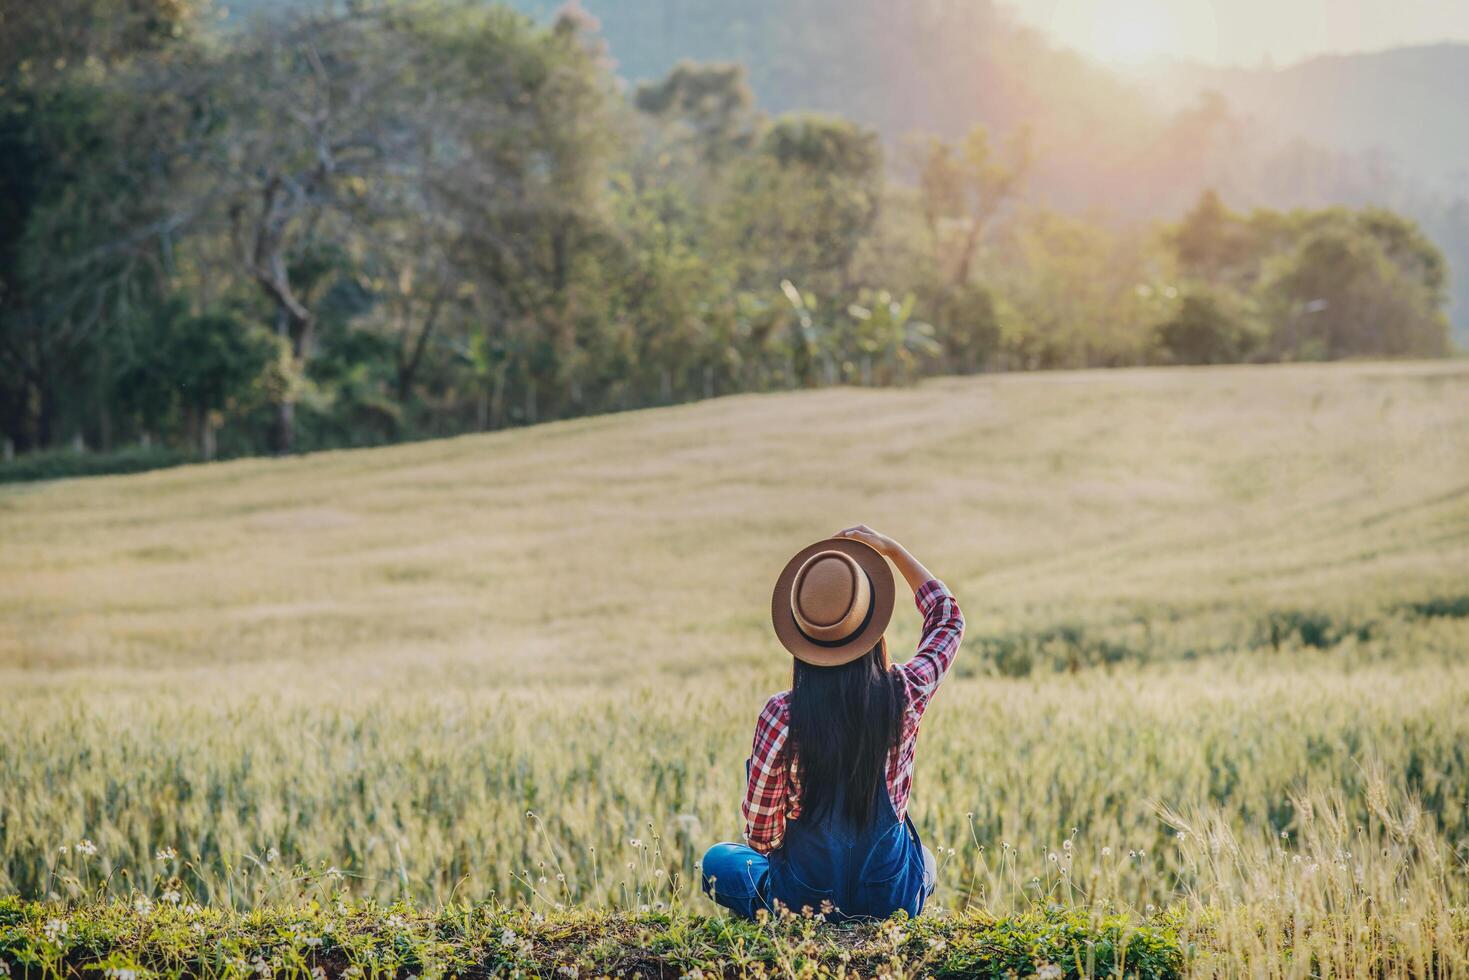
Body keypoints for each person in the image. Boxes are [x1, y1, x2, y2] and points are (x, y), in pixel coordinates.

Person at [701, 525, 965, 921]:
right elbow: (947, 621)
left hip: (801, 905)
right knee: (924, 859)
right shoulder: (904, 694)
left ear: (801, 638)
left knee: (718, 861)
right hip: (890, 902)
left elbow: (761, 836)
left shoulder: (781, 716)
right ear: (872, 629)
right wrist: (892, 551)